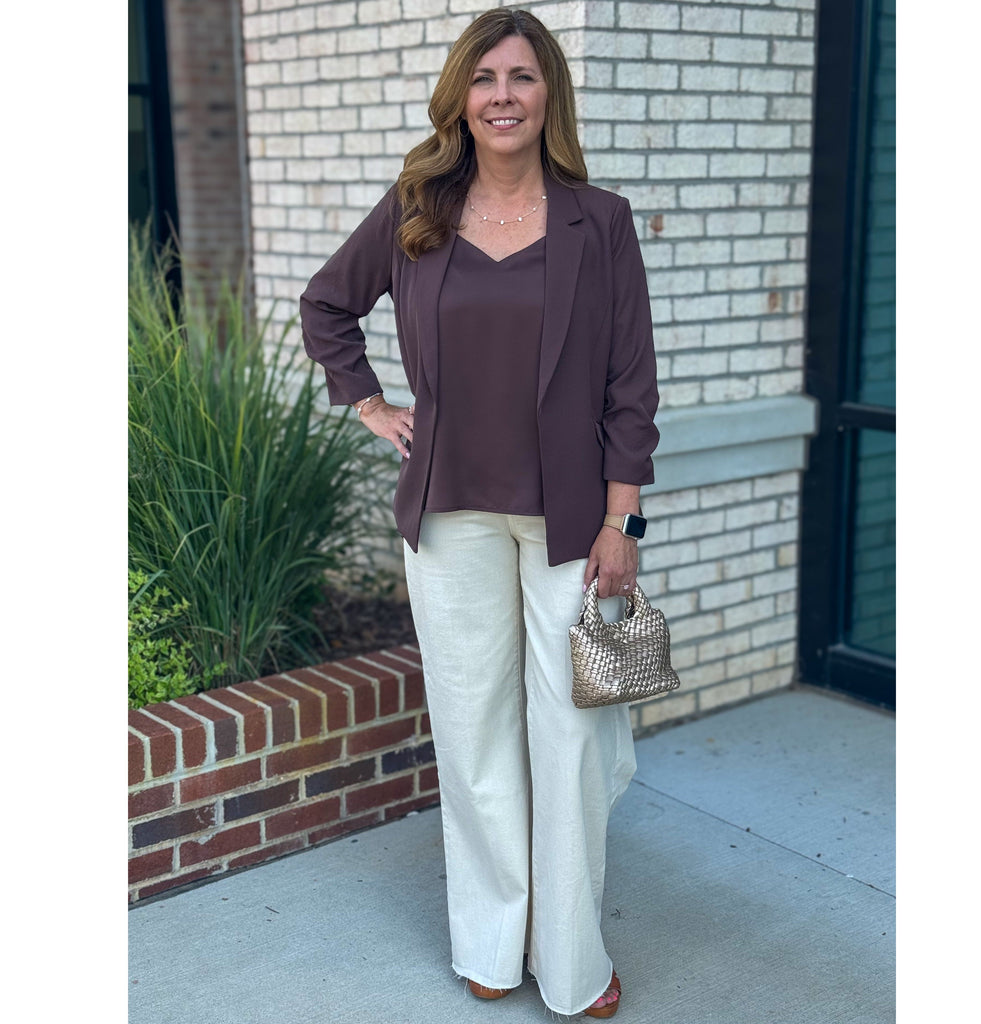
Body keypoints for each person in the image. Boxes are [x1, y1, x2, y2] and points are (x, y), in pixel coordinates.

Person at [300, 9, 659, 1018]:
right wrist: (369, 404)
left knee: (572, 742)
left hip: (570, 519)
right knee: (472, 732)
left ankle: (573, 958)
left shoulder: (601, 220)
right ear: (462, 95)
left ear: (549, 94)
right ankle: (492, 941)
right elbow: (328, 303)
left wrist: (620, 522)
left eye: (522, 76)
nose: (503, 94)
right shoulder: (418, 207)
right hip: (447, 513)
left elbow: (632, 382)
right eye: (484, 77)